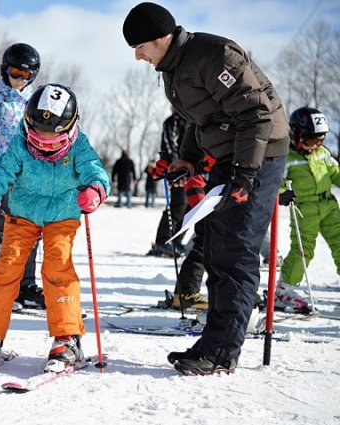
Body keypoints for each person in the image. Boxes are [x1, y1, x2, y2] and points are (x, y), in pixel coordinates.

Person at [123, 2, 289, 375]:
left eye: (140, 46)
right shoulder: (174, 67)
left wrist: (245, 175)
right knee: (213, 246)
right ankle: (213, 341)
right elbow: (201, 120)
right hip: (228, 158)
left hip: (257, 157)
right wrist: (188, 159)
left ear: (161, 37)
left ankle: (221, 352)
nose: (137, 56)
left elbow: (256, 113)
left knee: (234, 252)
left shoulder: (214, 55)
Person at [0, 83, 110, 373]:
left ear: (69, 127)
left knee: (57, 267)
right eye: (38, 133)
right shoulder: (20, 143)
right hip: (23, 213)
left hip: (62, 214)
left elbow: (96, 170)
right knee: (6, 267)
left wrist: (95, 190)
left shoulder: (80, 145)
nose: (43, 140)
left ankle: (67, 338)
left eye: (51, 135)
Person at [0, 43, 44, 309]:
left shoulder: (35, 100)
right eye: (15, 72)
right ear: (5, 68)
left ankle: (25, 284)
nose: (20, 79)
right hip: (0, 173)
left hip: (28, 176)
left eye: (26, 75)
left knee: (29, 230)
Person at [275, 107, 340, 312]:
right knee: (303, 250)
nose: (315, 146)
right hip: (304, 208)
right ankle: (284, 291)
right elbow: (277, 182)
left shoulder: (323, 154)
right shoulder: (286, 157)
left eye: (320, 141)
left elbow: (335, 173)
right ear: (296, 135)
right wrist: (281, 194)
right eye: (311, 141)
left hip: (329, 205)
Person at [147, 111, 188, 257]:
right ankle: (162, 241)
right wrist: (175, 165)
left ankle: (176, 240)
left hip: (192, 169)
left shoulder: (192, 119)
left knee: (191, 206)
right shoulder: (173, 121)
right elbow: (169, 144)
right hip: (177, 169)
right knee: (179, 204)